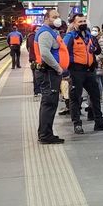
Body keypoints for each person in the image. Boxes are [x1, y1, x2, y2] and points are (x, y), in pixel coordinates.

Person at [63, 14, 103, 134]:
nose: (83, 23)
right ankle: (77, 124)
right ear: (74, 24)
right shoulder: (70, 36)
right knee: (75, 97)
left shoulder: (90, 36)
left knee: (95, 96)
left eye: (84, 21)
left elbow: (97, 50)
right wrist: (66, 70)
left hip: (89, 70)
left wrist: (94, 48)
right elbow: (64, 52)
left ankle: (99, 122)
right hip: (76, 71)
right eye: (80, 21)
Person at [33, 9, 69, 145]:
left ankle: (45, 133)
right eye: (54, 17)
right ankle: (45, 135)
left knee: (48, 103)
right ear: (46, 18)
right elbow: (45, 54)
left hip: (49, 72)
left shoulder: (51, 32)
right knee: (49, 104)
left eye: (58, 16)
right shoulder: (46, 33)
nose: (57, 19)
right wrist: (58, 68)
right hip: (48, 73)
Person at [25, 26, 42, 98]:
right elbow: (32, 46)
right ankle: (37, 91)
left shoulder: (38, 35)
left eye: (39, 29)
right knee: (36, 75)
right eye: (37, 29)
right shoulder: (32, 36)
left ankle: (39, 90)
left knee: (39, 74)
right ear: (34, 30)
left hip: (39, 58)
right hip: (34, 58)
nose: (39, 30)